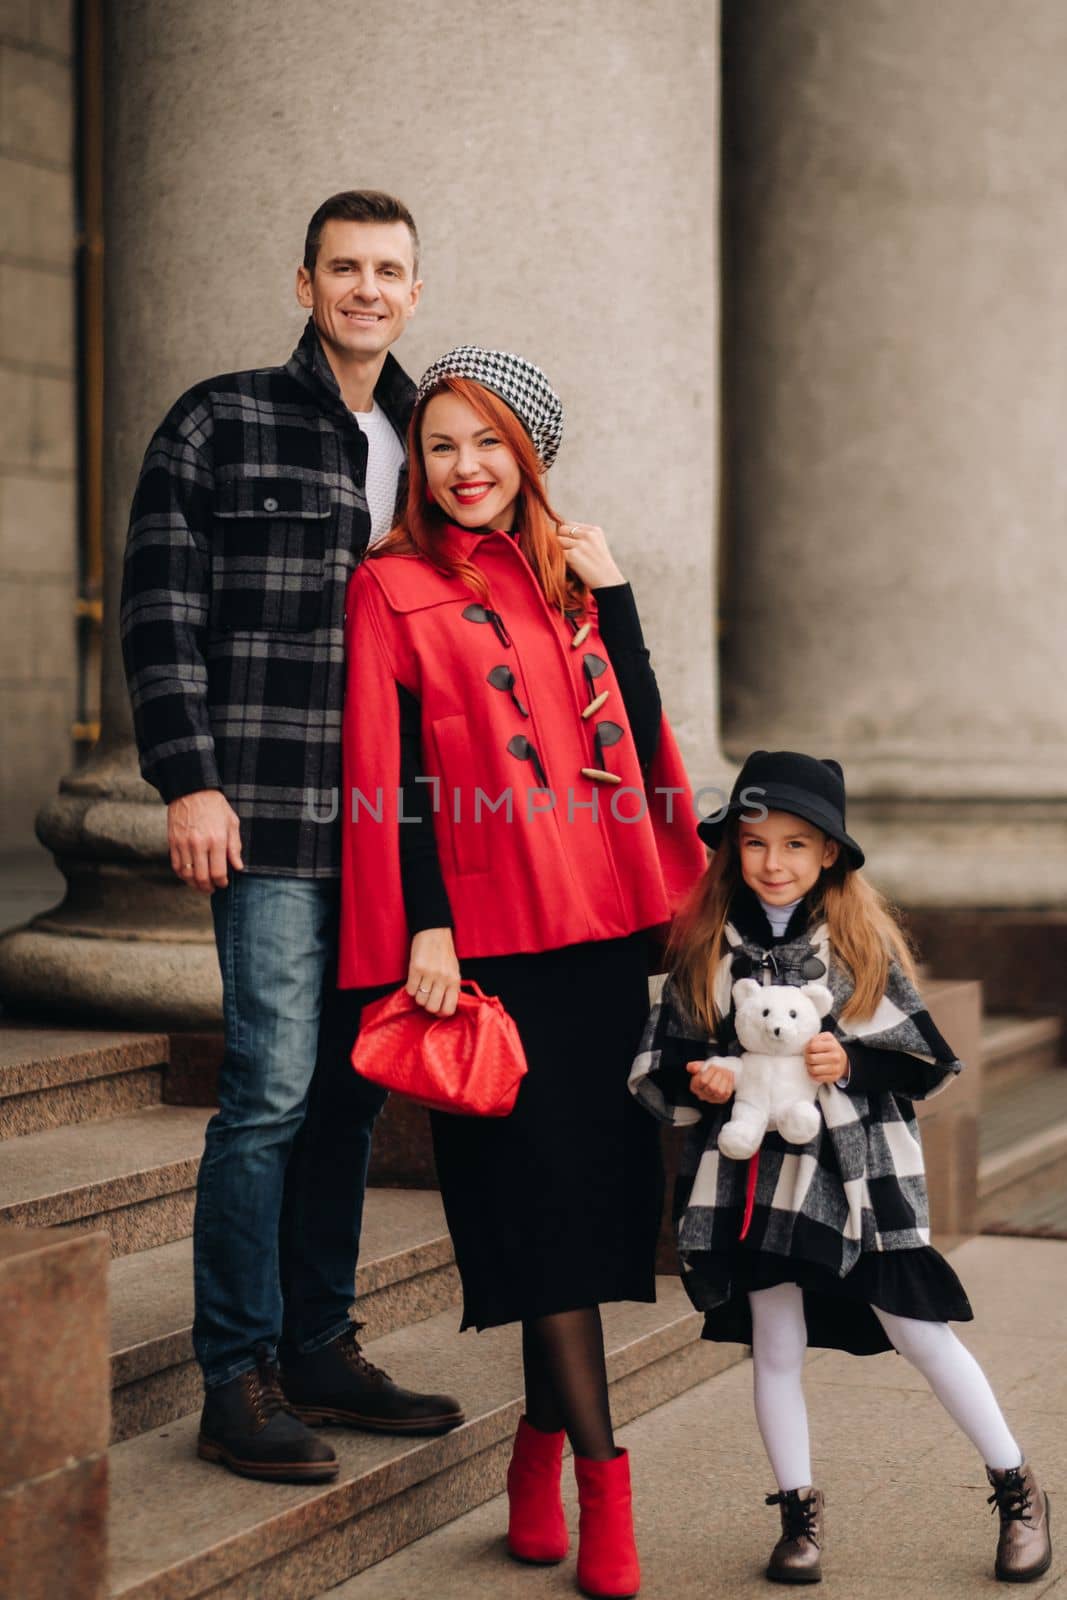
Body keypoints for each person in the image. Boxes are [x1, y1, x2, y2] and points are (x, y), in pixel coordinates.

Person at [339, 346, 706, 1598]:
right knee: (537, 1216)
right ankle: (605, 1481)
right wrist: (423, 926)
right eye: (440, 445)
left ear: (525, 454)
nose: (465, 467)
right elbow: (393, 770)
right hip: (484, 946)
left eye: (486, 442)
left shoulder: (570, 575)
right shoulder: (387, 586)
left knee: (599, 1206)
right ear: (418, 465)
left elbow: (638, 725)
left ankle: (539, 1441)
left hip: (598, 936)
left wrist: (621, 599)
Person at [120, 190, 463, 1485]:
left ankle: (320, 1344)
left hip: (382, 827)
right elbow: (159, 609)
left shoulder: (433, 444)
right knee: (266, 1091)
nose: (367, 288)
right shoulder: (219, 418)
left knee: (344, 1097)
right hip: (260, 813)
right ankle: (235, 1375)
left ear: (414, 292)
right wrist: (187, 780)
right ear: (304, 282)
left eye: (389, 271)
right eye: (344, 268)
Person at [630, 750, 1052, 1586]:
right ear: (733, 852)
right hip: (750, 1181)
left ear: (828, 854)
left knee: (917, 1330)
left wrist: (848, 1063)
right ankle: (797, 1515)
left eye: (795, 844)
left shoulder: (855, 945)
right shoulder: (707, 950)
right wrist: (703, 1078)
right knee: (774, 1341)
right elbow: (665, 1064)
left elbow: (923, 1058)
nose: (774, 863)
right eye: (755, 844)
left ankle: (1017, 1487)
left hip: (855, 1179)